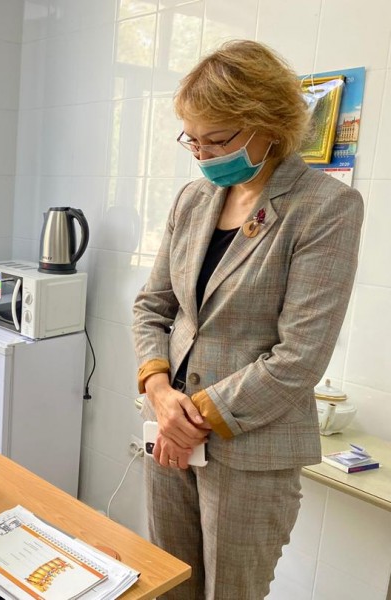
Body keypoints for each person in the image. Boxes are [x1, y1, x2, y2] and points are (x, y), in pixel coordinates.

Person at [132, 40, 363, 599]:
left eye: (218, 139)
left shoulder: (324, 206)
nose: (204, 155)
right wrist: (160, 393)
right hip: (168, 433)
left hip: (250, 450)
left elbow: (299, 356)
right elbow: (151, 307)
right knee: (170, 585)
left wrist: (194, 417)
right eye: (193, 140)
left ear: (269, 125)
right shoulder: (193, 199)